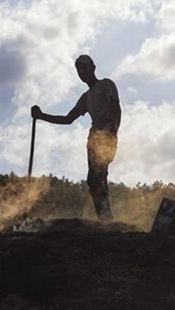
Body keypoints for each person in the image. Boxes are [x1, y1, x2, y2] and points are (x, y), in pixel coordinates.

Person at [31, 55, 121, 221]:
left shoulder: (106, 84)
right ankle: (105, 217)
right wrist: (41, 115)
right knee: (94, 180)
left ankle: (106, 218)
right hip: (93, 139)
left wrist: (113, 132)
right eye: (79, 69)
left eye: (85, 67)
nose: (82, 72)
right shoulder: (86, 97)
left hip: (106, 135)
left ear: (93, 68)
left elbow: (116, 108)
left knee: (96, 176)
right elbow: (68, 119)